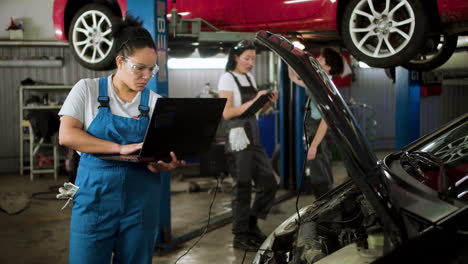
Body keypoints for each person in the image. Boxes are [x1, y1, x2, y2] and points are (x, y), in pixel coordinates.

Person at [58, 16, 185, 264]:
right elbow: (67, 134)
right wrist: (119, 148)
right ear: (120, 61)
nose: (146, 75)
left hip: (141, 202)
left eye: (152, 69)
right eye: (140, 68)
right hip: (95, 198)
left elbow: (157, 151)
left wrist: (162, 164)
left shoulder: (155, 102)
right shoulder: (87, 90)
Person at [218, 39, 279, 251]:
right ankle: (240, 235)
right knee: (242, 186)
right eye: (247, 58)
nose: (250, 62)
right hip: (237, 138)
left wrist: (267, 102)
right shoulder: (227, 78)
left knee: (269, 182)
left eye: (253, 58)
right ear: (236, 57)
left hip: (253, 136)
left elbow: (255, 111)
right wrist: (255, 101)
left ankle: (251, 224)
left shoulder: (250, 77)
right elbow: (227, 112)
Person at [289, 47, 344, 197]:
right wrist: (290, 56)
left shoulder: (324, 87)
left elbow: (326, 120)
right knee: (321, 167)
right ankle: (326, 201)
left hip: (320, 131)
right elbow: (294, 77)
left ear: (328, 66)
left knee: (319, 170)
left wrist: (314, 145)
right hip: (316, 129)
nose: (317, 59)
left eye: (321, 58)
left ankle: (325, 204)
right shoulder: (319, 82)